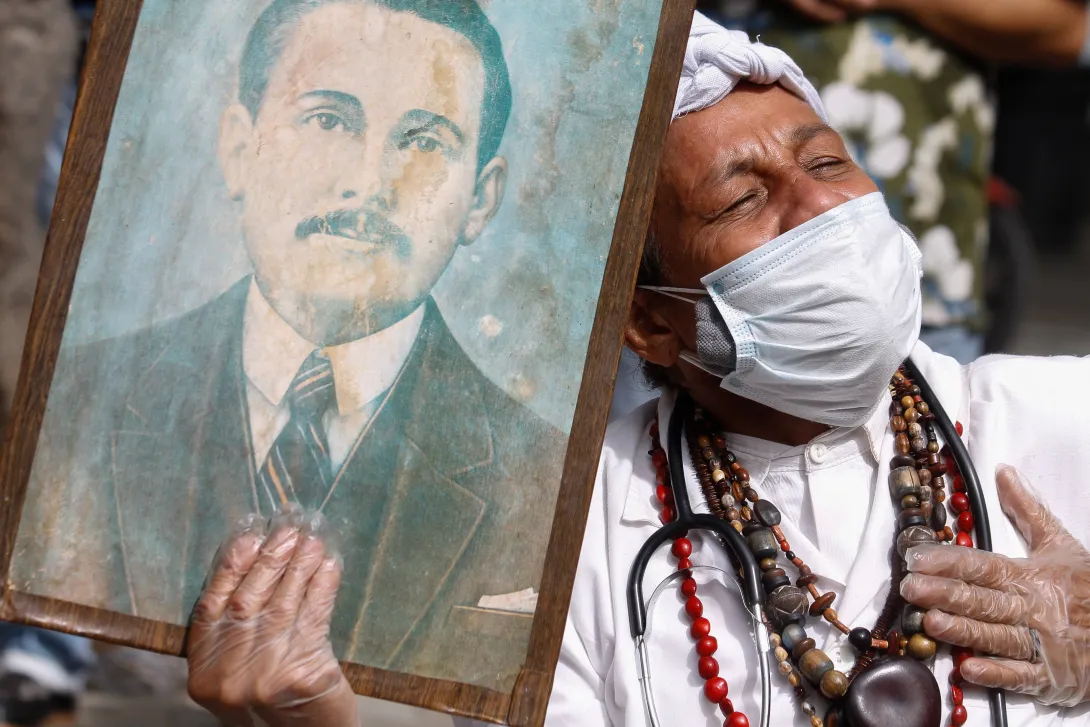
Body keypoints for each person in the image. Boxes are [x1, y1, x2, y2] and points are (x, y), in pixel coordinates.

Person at [181, 13, 1090, 727]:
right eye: (744, 197)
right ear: (652, 321)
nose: (819, 209)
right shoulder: (565, 544)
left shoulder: (1051, 417)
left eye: (827, 162)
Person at [17, 0, 566, 691]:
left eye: (424, 142)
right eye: (328, 120)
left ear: (480, 200)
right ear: (240, 150)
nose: (369, 183)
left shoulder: (543, 481)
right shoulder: (81, 400)